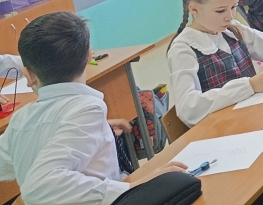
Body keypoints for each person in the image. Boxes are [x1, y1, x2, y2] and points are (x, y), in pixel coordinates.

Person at [0, 12, 201, 205]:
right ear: (89, 55)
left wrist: (95, 129)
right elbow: (39, 186)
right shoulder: (87, 110)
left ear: (28, 74)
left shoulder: (20, 119)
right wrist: (133, 186)